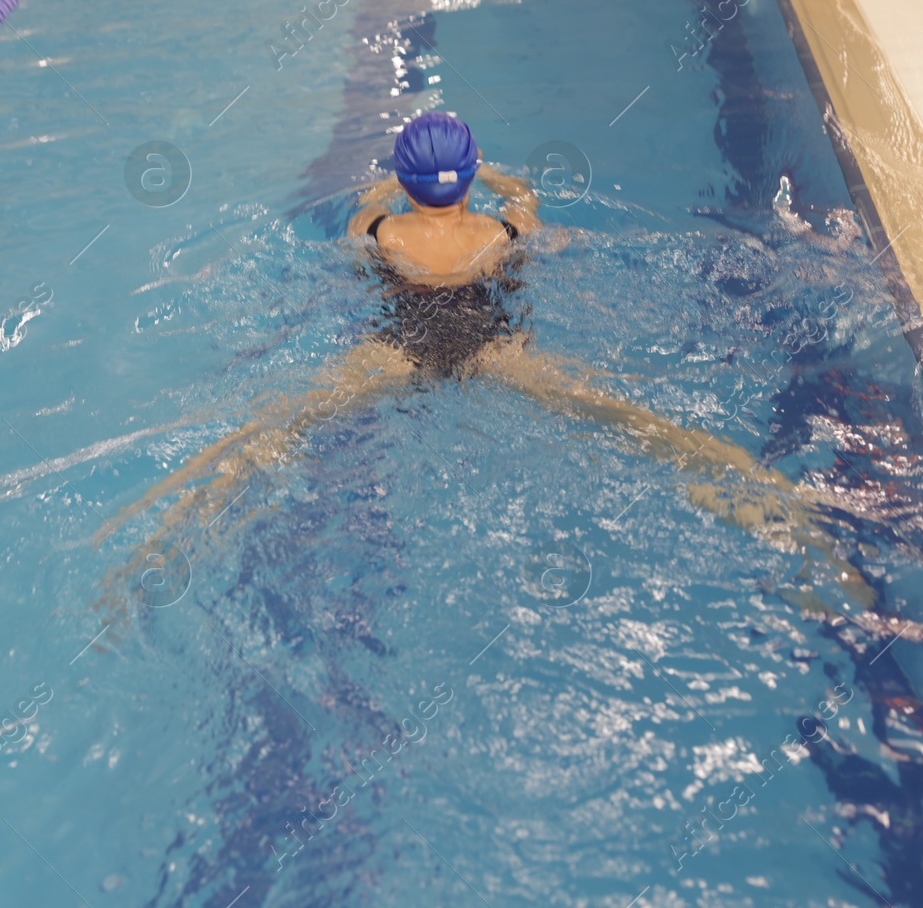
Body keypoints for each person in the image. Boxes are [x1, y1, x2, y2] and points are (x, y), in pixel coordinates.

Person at [93, 113, 838, 601]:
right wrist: (502, 183)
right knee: (628, 417)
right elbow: (529, 202)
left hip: (397, 353)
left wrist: (392, 181)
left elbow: (367, 204)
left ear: (407, 183)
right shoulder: (500, 232)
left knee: (274, 428)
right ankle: (774, 509)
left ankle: (157, 539)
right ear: (471, 178)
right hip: (496, 350)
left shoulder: (382, 228)